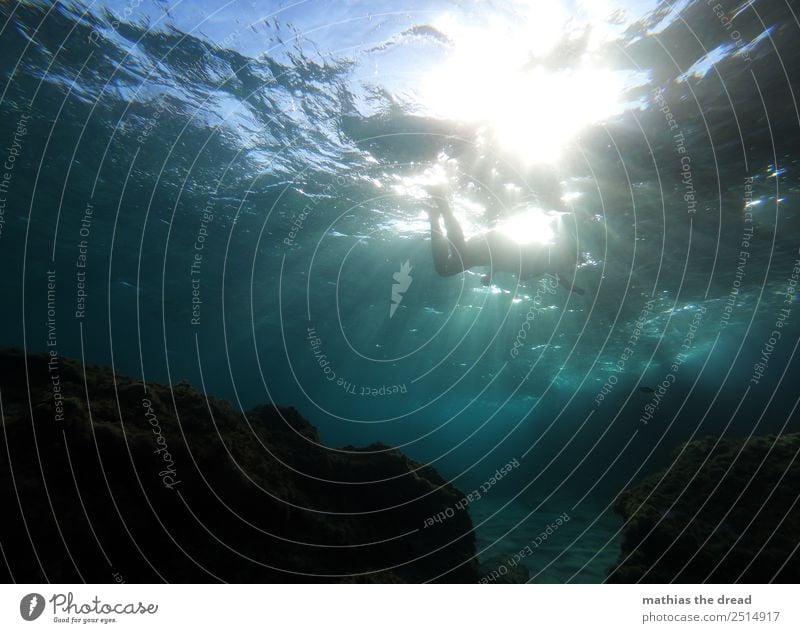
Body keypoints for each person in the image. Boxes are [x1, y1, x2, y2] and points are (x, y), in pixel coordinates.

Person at [426, 185, 585, 295]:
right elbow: (510, 256)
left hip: (491, 251)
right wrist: (490, 275)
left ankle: (434, 216)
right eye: (570, 264)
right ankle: (441, 202)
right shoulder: (544, 256)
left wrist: (574, 289)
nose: (568, 269)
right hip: (495, 245)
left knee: (444, 270)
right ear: (566, 256)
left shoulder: (549, 267)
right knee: (459, 253)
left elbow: (562, 280)